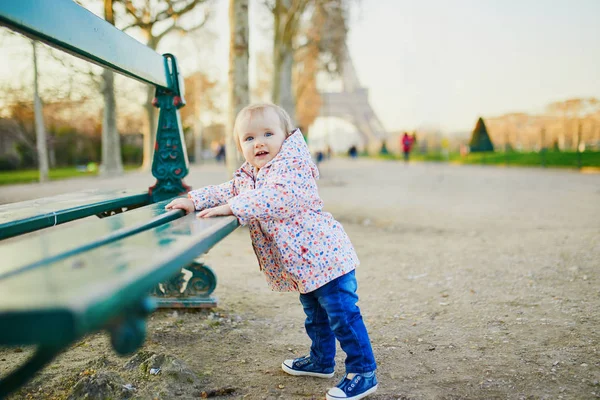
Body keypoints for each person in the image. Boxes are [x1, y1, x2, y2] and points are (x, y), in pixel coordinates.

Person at [166, 103, 378, 400]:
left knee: (343, 317)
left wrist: (233, 208)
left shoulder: (293, 168)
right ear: (239, 145)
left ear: (286, 136)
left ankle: (363, 371)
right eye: (249, 138)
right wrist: (194, 200)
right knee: (315, 315)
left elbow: (274, 198)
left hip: (328, 260)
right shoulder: (252, 174)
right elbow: (229, 190)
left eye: (268, 133)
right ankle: (321, 360)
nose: (259, 142)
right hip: (304, 265)